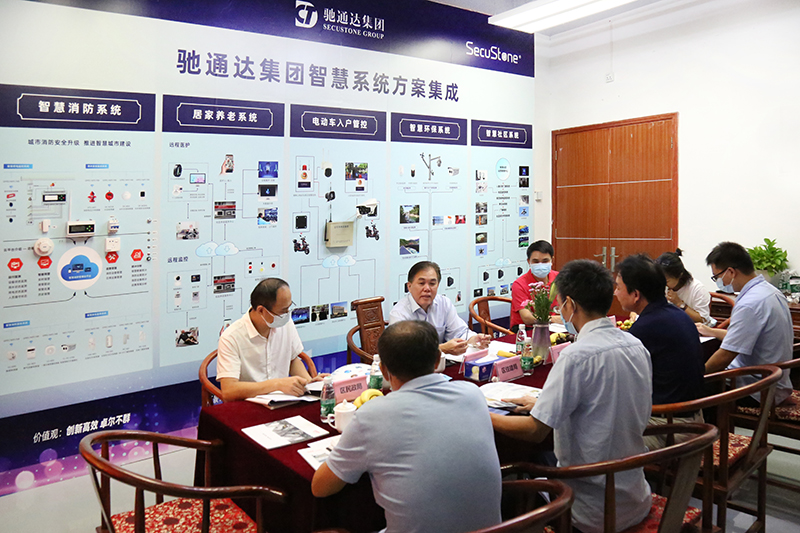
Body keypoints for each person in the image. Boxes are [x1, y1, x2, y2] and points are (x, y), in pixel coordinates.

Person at [492, 260, 652, 533]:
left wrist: (483, 414)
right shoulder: (636, 345)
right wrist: (542, 404)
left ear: (569, 305)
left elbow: (534, 431)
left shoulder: (576, 356)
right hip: (634, 493)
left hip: (587, 506)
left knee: (507, 487)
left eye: (559, 304)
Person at [312, 320, 502, 533]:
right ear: (438, 360)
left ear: (383, 370)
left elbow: (320, 488)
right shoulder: (472, 393)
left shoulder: (373, 415)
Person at [614, 254, 705, 449]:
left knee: (590, 435)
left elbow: (619, 381)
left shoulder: (647, 327)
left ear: (635, 295)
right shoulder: (677, 314)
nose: (615, 293)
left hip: (669, 425)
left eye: (618, 287)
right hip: (693, 415)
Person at [698, 242, 794, 406]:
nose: (718, 282)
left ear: (730, 272)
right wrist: (713, 332)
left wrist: (699, 375)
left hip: (756, 388)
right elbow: (748, 336)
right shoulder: (770, 291)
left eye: (717, 277)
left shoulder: (750, 304)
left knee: (689, 386)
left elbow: (725, 357)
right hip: (775, 379)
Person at [216, 278, 318, 402]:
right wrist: (277, 384)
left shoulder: (286, 324)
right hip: (249, 405)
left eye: (289, 308)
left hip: (283, 401)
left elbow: (292, 360)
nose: (287, 314)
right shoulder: (231, 337)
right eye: (283, 311)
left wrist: (310, 384)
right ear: (261, 310)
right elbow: (229, 391)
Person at [390, 261, 490, 355]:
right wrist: (442, 348)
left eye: (432, 284)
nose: (427, 289)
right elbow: (403, 352)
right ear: (409, 286)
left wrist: (473, 339)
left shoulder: (444, 303)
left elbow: (460, 333)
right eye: (421, 283)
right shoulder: (399, 313)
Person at [656, 249, 714, 325]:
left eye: (667, 281)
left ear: (680, 275)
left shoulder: (697, 289)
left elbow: (703, 319)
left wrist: (679, 303)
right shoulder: (662, 287)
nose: (663, 284)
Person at [510, 240, 559, 330]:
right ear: (529, 261)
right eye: (536, 261)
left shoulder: (559, 278)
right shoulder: (519, 284)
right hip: (528, 329)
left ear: (552, 260)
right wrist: (557, 319)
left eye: (545, 261)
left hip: (557, 327)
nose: (540, 265)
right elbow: (527, 318)